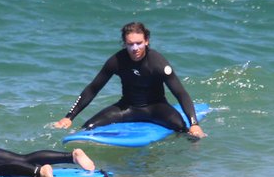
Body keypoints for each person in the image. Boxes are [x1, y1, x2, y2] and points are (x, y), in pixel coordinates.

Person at [53, 22, 206, 138]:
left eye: (139, 43)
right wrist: (69, 117)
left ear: (146, 41)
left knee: (182, 129)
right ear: (124, 43)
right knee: (87, 128)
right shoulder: (117, 61)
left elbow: (180, 93)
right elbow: (93, 88)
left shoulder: (158, 63)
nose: (135, 48)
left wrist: (194, 124)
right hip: (127, 108)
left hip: (156, 108)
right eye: (130, 44)